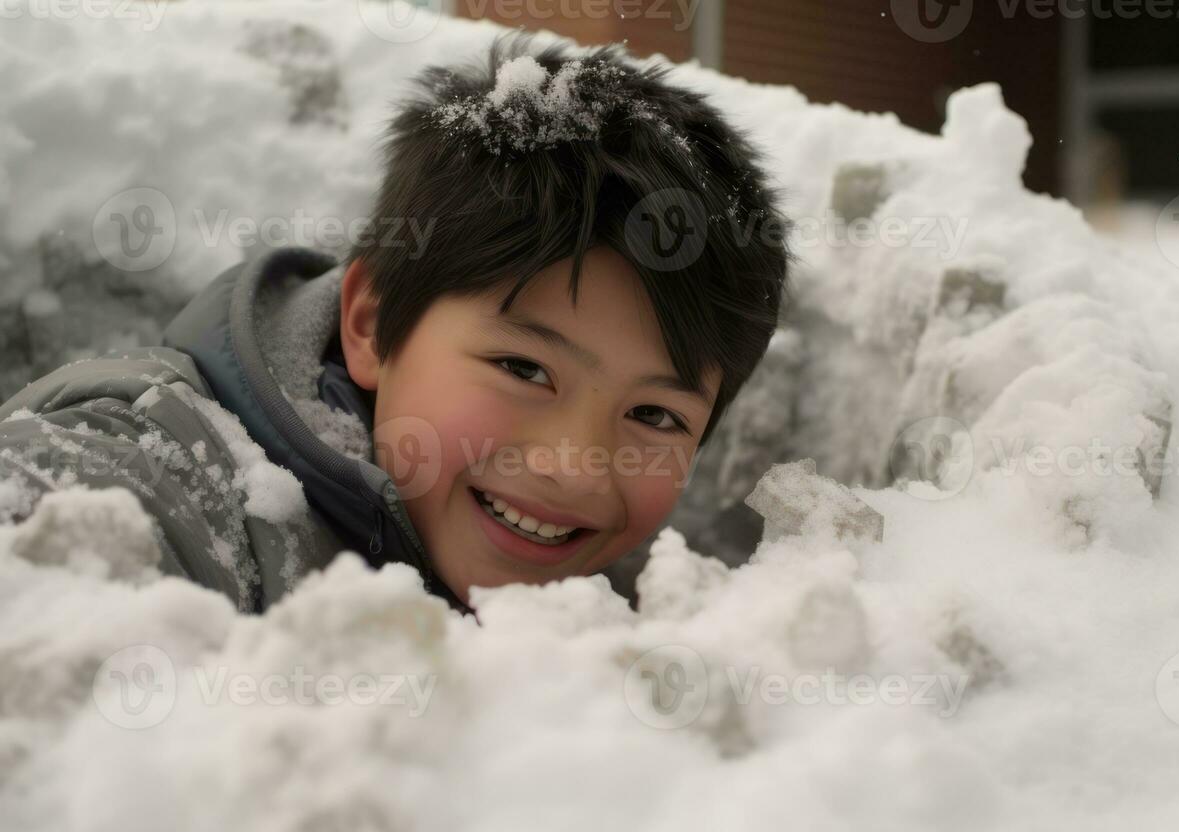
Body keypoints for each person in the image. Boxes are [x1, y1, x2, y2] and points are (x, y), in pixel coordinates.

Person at [0, 31, 791, 616]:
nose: (577, 468)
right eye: (523, 368)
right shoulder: (174, 478)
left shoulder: (606, 594)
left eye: (654, 414)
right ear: (372, 323)